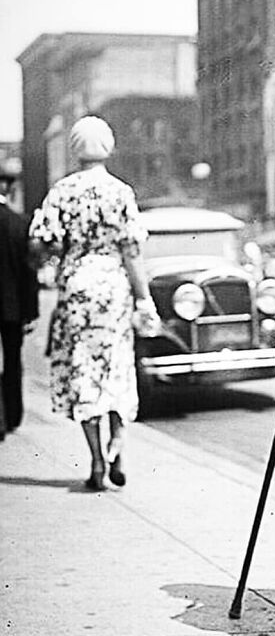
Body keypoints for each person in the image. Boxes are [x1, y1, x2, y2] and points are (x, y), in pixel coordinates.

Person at [28, 116, 157, 490]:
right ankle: (119, 443)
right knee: (116, 365)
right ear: (109, 146)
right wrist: (143, 297)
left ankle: (97, 461)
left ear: (73, 147)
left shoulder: (61, 191)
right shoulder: (120, 192)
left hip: (76, 285)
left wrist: (63, 252)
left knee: (84, 370)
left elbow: (41, 242)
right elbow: (132, 251)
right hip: (113, 285)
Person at [0, 164, 39, 440]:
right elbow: (29, 273)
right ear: (9, 189)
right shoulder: (21, 224)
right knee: (13, 361)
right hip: (12, 308)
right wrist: (31, 311)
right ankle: (12, 415)